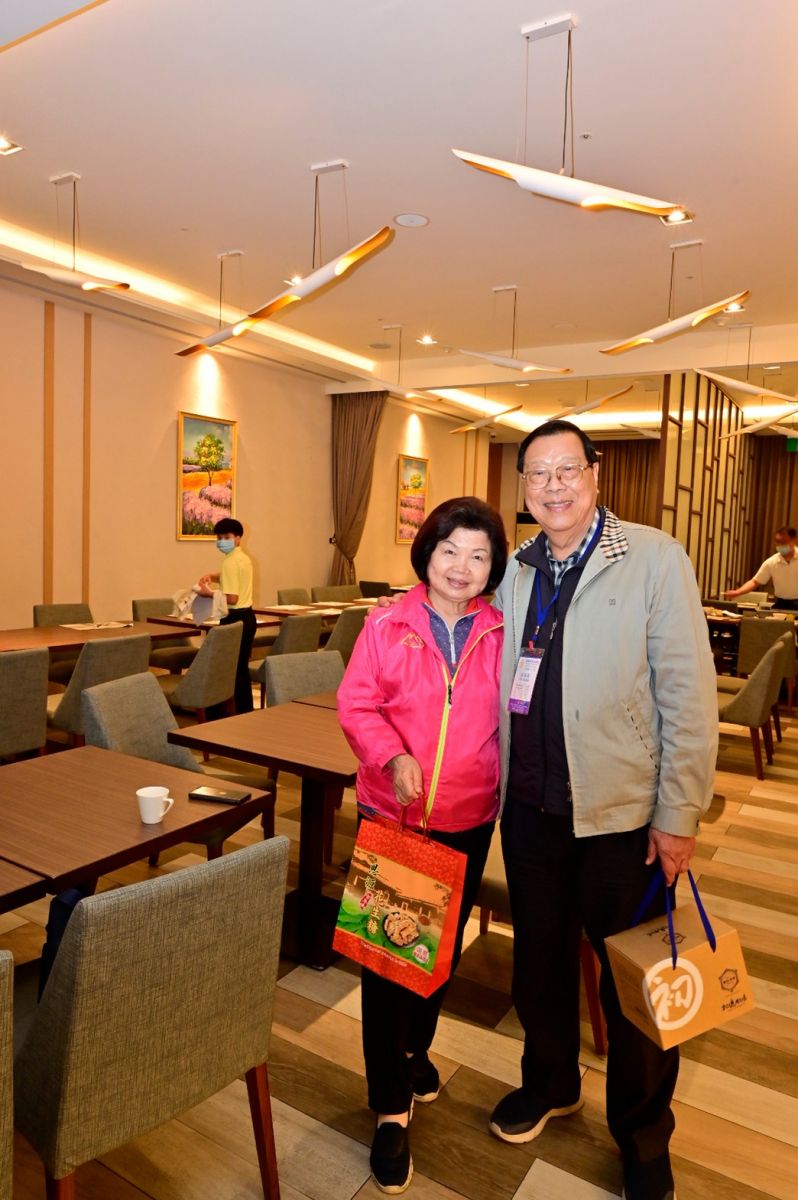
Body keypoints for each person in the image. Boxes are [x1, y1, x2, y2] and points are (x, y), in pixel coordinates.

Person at [489, 419, 717, 1200]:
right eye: (537, 473)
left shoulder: (653, 558)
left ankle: (644, 1137)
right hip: (531, 811)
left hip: (622, 818)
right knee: (539, 966)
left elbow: (688, 694)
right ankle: (551, 1082)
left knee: (637, 986)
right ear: (523, 487)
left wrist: (678, 813)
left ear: (595, 473)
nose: (552, 486)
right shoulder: (515, 570)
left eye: (567, 470)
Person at [338, 496, 507, 1195]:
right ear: (427, 554)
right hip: (396, 813)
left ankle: (415, 1051)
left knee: (438, 950)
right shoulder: (387, 624)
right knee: (389, 958)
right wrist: (391, 756)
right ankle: (389, 1109)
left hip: (470, 815)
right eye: (450, 551)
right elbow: (356, 705)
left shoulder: (503, 630)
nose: (462, 567)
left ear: (493, 567)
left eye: (479, 555)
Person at [196, 516, 256, 714]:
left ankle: (223, 715)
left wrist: (208, 593)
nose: (222, 541)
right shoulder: (243, 558)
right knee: (240, 669)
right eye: (219, 538)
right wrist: (212, 576)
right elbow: (231, 576)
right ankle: (245, 711)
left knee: (227, 670)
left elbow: (232, 598)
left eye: (226, 537)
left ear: (238, 538)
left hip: (234, 618)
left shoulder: (230, 562)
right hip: (248, 617)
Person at [724, 525, 798, 610]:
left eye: (784, 542)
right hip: (781, 604)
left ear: (794, 540)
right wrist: (737, 592)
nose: (780, 545)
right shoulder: (772, 562)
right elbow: (755, 582)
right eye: (777, 541)